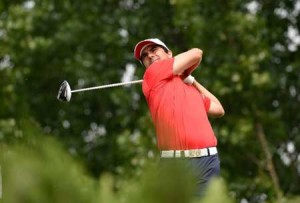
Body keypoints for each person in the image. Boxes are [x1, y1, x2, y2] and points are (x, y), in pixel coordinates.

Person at [133, 38, 225, 196]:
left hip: (208, 162)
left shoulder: (190, 90)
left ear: (169, 53)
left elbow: (219, 109)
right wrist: (186, 72)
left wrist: (191, 80)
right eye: (144, 56)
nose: (149, 56)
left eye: (154, 49)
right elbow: (196, 53)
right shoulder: (153, 74)